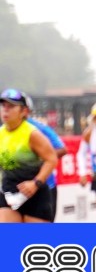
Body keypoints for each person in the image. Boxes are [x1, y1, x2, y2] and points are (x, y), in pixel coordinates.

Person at [0, 89, 58, 223]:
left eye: (11, 106)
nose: (5, 110)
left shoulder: (32, 134)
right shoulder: (0, 134)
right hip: (9, 193)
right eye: (3, 105)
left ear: (24, 111)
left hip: (34, 194)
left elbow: (51, 159)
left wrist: (35, 183)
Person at [22, 96, 67, 221]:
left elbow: (62, 149)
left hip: (44, 187)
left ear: (26, 110)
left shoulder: (38, 128)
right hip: (16, 189)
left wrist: (38, 158)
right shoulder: (4, 132)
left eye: (13, 107)